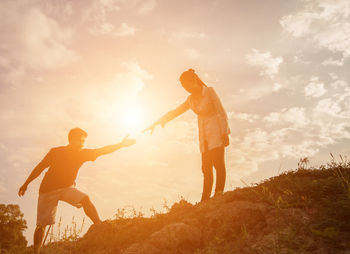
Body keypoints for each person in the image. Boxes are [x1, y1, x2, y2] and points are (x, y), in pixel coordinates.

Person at [18, 128, 136, 254]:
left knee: (85, 199)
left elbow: (102, 151)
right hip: (48, 190)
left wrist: (121, 144)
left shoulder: (82, 153)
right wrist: (26, 183)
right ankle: (36, 251)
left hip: (67, 188)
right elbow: (40, 167)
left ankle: (99, 225)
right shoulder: (55, 152)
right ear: (71, 139)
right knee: (41, 225)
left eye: (83, 141)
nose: (81, 143)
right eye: (79, 140)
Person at [144, 68, 230, 202]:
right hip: (204, 137)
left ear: (194, 80)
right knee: (206, 168)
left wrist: (225, 132)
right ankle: (205, 199)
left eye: (186, 85)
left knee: (218, 164)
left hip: (217, 132)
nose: (186, 89)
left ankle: (219, 194)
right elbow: (176, 111)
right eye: (183, 87)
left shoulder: (209, 92)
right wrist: (157, 122)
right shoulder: (190, 100)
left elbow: (221, 112)